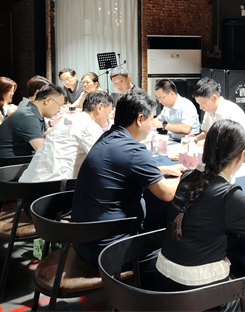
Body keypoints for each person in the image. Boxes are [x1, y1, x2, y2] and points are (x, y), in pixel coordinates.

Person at [156, 119, 245, 311]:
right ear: (241, 156)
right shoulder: (229, 195)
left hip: (165, 285)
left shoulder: (188, 176)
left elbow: (207, 206)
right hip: (201, 296)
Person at [71, 92, 185, 266]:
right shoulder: (133, 150)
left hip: (83, 242)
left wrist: (164, 169)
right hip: (111, 250)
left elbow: (123, 168)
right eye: (151, 120)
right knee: (178, 249)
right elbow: (167, 193)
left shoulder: (107, 137)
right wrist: (188, 176)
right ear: (140, 119)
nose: (151, 125)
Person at [19, 91, 114, 183]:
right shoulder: (88, 125)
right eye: (108, 112)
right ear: (100, 107)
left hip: (26, 184)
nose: (107, 118)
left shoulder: (66, 119)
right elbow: (104, 160)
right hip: (50, 188)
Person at [0, 83, 66, 158]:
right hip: (12, 163)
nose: (59, 110)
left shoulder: (33, 110)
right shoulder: (28, 116)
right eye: (59, 106)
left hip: (20, 158)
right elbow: (43, 151)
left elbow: (45, 132)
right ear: (48, 100)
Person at [189, 77, 245, 146]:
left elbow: (242, 141)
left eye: (203, 103)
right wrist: (195, 138)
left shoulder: (233, 112)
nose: (200, 107)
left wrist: (207, 143)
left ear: (214, 98)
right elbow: (206, 133)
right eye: (199, 104)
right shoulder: (209, 111)